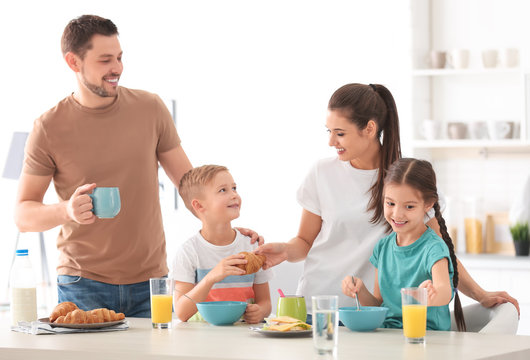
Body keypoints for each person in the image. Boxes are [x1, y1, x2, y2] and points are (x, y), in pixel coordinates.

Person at [14, 15, 260, 317]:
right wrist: (66, 210)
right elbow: (24, 214)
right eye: (105, 60)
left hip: (151, 282)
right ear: (73, 62)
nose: (116, 68)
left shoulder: (150, 109)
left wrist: (225, 228)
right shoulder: (49, 127)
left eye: (119, 57)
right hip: (83, 283)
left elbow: (190, 185)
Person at [255, 83, 519, 320]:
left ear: (369, 128)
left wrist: (481, 295)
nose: (331, 141)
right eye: (329, 131)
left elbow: (442, 252)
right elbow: (304, 242)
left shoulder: (404, 182)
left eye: (340, 133)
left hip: (372, 315)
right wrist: (285, 250)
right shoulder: (321, 173)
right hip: (318, 306)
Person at [341, 158, 465, 331]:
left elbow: (444, 290)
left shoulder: (433, 248)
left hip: (427, 337)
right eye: (390, 203)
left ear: (428, 204)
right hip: (389, 335)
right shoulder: (383, 247)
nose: (397, 214)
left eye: (409, 207)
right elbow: (378, 304)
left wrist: (431, 294)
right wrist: (360, 290)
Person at [171, 165, 272, 323]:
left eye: (234, 188)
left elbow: (265, 303)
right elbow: (182, 313)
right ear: (199, 205)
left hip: (245, 338)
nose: (234, 195)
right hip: (202, 339)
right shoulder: (189, 251)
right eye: (223, 190)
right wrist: (211, 277)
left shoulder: (252, 246)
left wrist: (260, 311)